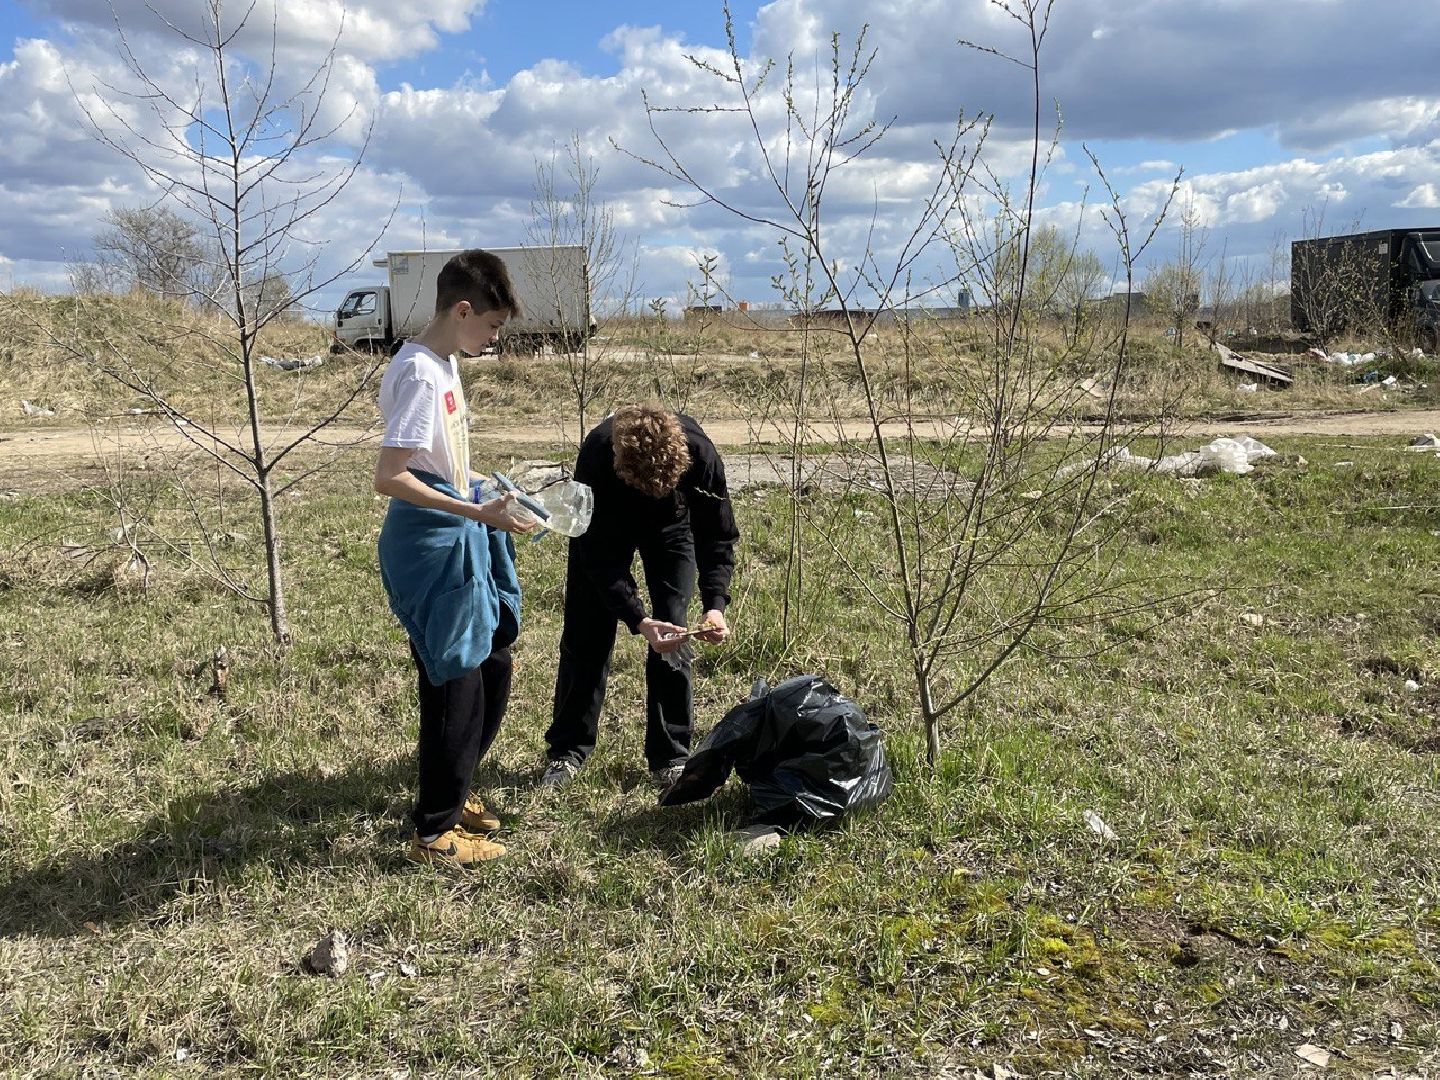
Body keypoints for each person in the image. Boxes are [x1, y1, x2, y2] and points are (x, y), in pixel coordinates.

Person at [373, 249, 537, 867]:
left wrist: (488, 491)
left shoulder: (443, 362)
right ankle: (435, 833)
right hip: (430, 543)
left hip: (458, 527)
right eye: (491, 326)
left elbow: (442, 463)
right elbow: (391, 477)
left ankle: (455, 790)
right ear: (462, 309)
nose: (494, 338)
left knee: (491, 662)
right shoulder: (419, 371)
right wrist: (478, 514)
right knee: (454, 681)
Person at [541, 404, 740, 789]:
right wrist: (638, 619)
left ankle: (670, 756)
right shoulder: (598, 454)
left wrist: (715, 606)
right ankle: (567, 752)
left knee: (675, 628)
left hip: (670, 528)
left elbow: (717, 534)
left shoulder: (700, 453)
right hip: (605, 524)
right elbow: (596, 557)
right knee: (587, 633)